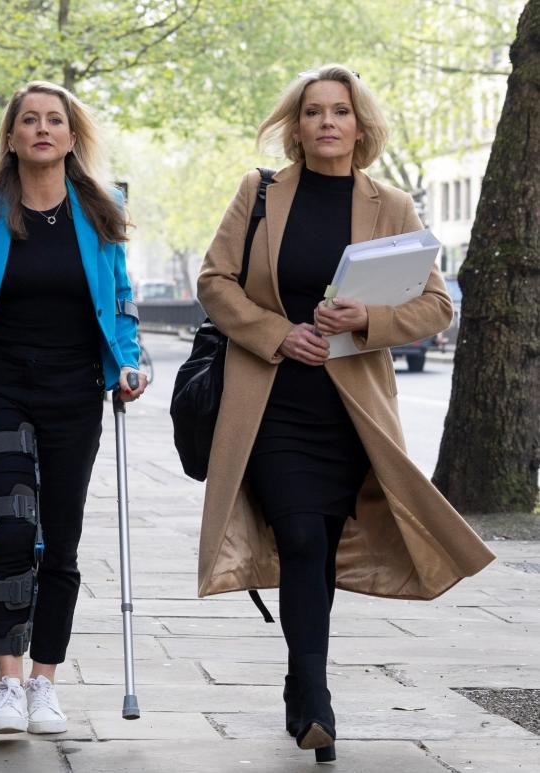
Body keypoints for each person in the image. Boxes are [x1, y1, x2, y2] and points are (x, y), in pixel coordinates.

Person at [196, 64, 494, 764]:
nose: (327, 122)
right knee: (299, 535)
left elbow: (436, 304)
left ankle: (301, 685)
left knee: (320, 548)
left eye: (340, 111)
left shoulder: (391, 204)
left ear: (360, 126)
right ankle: (316, 697)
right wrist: (277, 332)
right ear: (295, 126)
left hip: (349, 410)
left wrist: (368, 319)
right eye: (313, 112)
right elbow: (213, 281)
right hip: (269, 399)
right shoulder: (261, 193)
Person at [0, 81, 147, 736]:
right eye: (30, 120)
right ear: (13, 136)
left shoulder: (100, 215)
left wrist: (129, 361)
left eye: (56, 120)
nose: (43, 129)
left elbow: (121, 298)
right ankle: (7, 680)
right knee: (9, 532)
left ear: (72, 138)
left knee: (61, 540)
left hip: (75, 389)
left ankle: (46, 681)